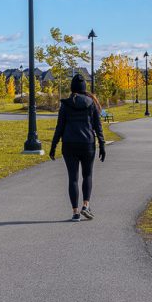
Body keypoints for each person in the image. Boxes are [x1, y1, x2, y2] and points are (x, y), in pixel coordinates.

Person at [50, 74, 106, 222]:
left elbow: (59, 127)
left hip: (69, 144)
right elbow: (98, 127)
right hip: (87, 144)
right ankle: (86, 205)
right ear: (84, 88)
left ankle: (75, 212)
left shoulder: (66, 105)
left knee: (73, 178)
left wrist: (53, 146)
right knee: (87, 175)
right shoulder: (91, 103)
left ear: (72, 88)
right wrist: (102, 144)